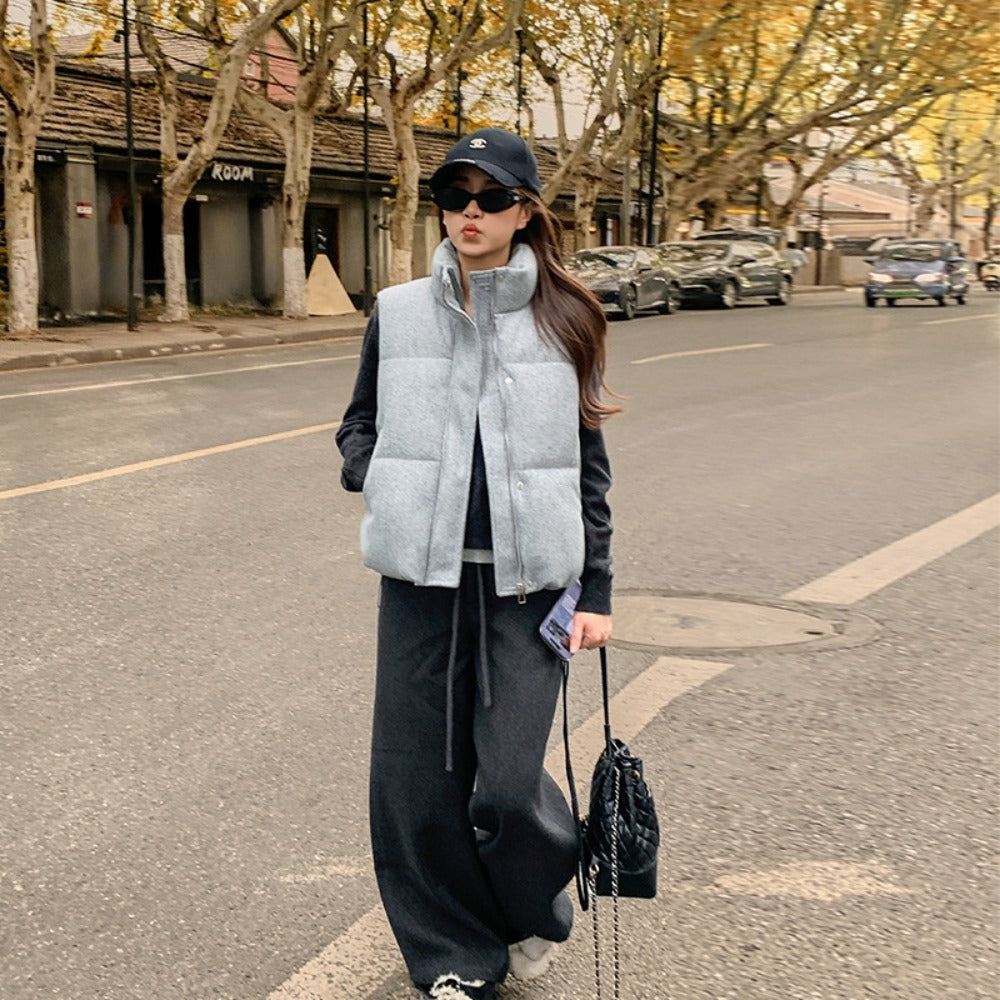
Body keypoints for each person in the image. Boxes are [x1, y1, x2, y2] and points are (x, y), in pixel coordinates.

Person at [336, 127, 618, 1000]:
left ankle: (529, 905)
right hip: (421, 584)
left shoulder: (569, 316)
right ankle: (452, 956)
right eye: (455, 196)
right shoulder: (398, 312)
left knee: (505, 782)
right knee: (416, 784)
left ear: (525, 211)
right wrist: (379, 474)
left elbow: (589, 465)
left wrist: (598, 588)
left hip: (530, 590)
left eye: (492, 197)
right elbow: (358, 424)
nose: (471, 212)